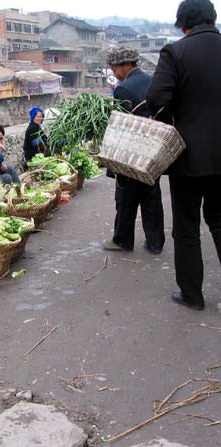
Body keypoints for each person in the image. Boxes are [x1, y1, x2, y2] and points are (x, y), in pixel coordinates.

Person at [146, 0, 221, 310]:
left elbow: (156, 98)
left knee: (187, 226)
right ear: (213, 18)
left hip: (188, 157)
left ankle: (192, 294)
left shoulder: (175, 52)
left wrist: (172, 126)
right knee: (220, 220)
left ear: (182, 24)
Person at [102, 46, 165, 255]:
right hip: (151, 151)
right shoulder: (152, 81)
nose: (114, 74)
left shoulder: (124, 89)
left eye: (114, 69)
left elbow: (121, 124)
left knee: (126, 197)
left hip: (130, 153)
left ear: (126, 65)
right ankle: (155, 243)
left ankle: (122, 240)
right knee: (151, 196)